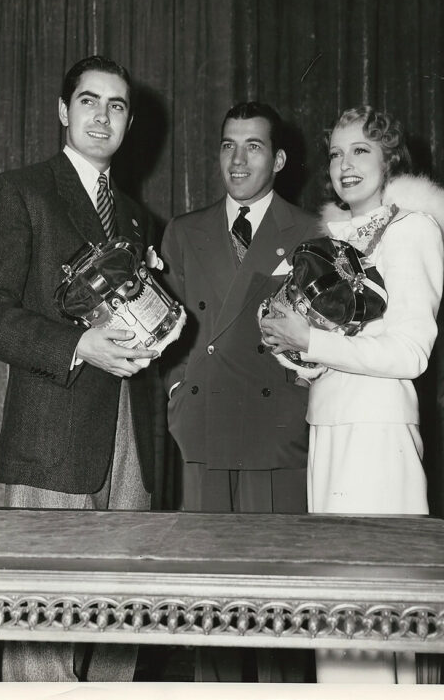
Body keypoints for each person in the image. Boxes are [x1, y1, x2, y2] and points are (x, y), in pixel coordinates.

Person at [0, 55, 161, 681]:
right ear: (63, 111)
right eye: (90, 101)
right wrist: (78, 346)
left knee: (125, 615)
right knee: (38, 616)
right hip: (51, 429)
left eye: (117, 105)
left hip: (131, 433)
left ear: (128, 122)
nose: (103, 116)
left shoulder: (137, 217)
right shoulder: (19, 191)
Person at [260, 105, 444, 683]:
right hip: (328, 426)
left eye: (361, 151)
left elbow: (411, 354)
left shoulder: (412, 230)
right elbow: (323, 347)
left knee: (376, 609)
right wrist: (294, 348)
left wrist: (315, 343)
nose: (344, 164)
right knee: (336, 616)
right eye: (335, 153)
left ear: (389, 160)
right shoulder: (329, 237)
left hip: (378, 435)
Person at [160, 101, 314, 681]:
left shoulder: (310, 230)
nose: (238, 158)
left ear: (277, 159)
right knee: (210, 612)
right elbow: (165, 332)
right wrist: (176, 388)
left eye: (253, 146)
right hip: (200, 431)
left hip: (276, 436)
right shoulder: (184, 230)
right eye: (228, 144)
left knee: (280, 609)